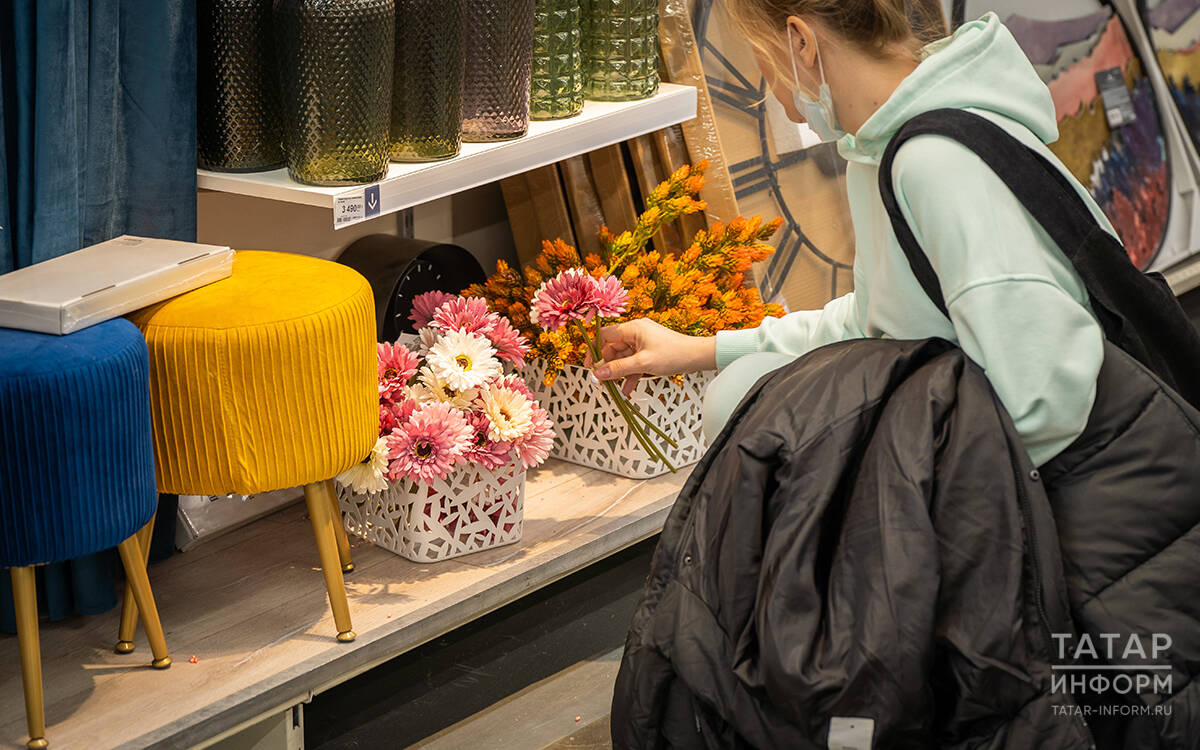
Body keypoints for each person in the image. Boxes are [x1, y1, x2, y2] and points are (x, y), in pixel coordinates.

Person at [594, 0, 1113, 468]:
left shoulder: (937, 163)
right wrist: (700, 349)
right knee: (746, 394)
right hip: (983, 452)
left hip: (1055, 499)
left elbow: (1043, 399)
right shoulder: (883, 149)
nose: (780, 100)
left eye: (765, 67)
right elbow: (874, 320)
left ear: (801, 41)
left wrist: (883, 483)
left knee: (757, 412)